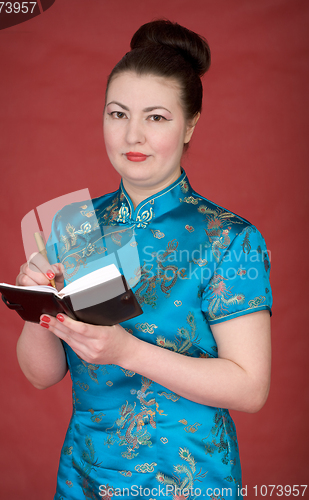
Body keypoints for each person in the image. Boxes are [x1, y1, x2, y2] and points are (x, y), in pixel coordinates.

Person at [16, 20, 272, 500]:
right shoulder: (75, 225)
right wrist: (36, 304)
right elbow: (41, 374)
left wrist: (127, 352)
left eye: (156, 117)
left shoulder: (229, 238)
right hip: (83, 477)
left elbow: (250, 388)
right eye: (117, 114)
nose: (132, 134)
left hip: (190, 481)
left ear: (190, 123)